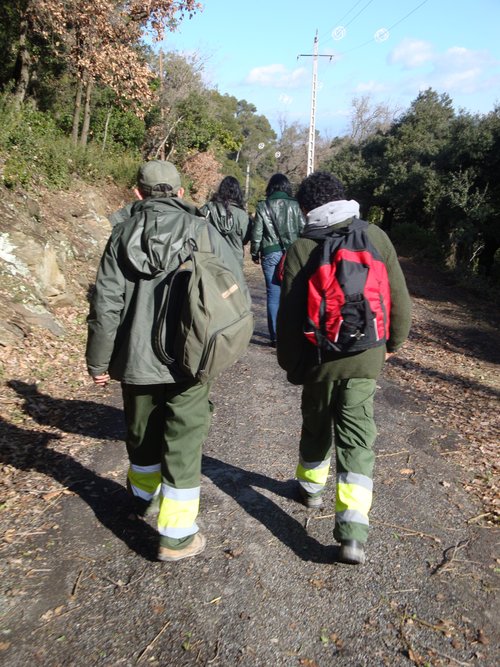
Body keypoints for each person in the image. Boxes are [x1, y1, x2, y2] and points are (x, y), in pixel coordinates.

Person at [86, 160, 250, 562]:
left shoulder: (121, 234)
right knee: (184, 441)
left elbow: (106, 303)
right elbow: (233, 291)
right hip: (190, 359)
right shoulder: (203, 230)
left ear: (138, 194)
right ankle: (176, 537)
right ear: (179, 193)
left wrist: (98, 362)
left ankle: (142, 498)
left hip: (134, 359)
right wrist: (222, 346)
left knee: (141, 432)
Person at [276, 171, 412, 565]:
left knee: (316, 423)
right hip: (366, 354)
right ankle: (353, 534)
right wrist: (393, 343)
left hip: (319, 357)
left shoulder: (302, 245)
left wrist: (291, 364)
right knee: (357, 437)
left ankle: (310, 489)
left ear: (307, 209)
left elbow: (288, 317)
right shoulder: (376, 235)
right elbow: (398, 297)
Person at [250, 173, 305, 347]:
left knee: (273, 296)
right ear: (287, 187)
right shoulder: (296, 205)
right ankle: (292, 334)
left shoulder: (263, 206)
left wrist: (254, 252)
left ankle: (275, 337)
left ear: (270, 187)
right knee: (292, 294)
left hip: (270, 253)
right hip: (292, 254)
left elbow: (257, 232)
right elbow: (304, 229)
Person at [200, 176, 249, 267]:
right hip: (235, 261)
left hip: (211, 259)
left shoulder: (207, 209)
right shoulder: (242, 215)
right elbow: (245, 239)